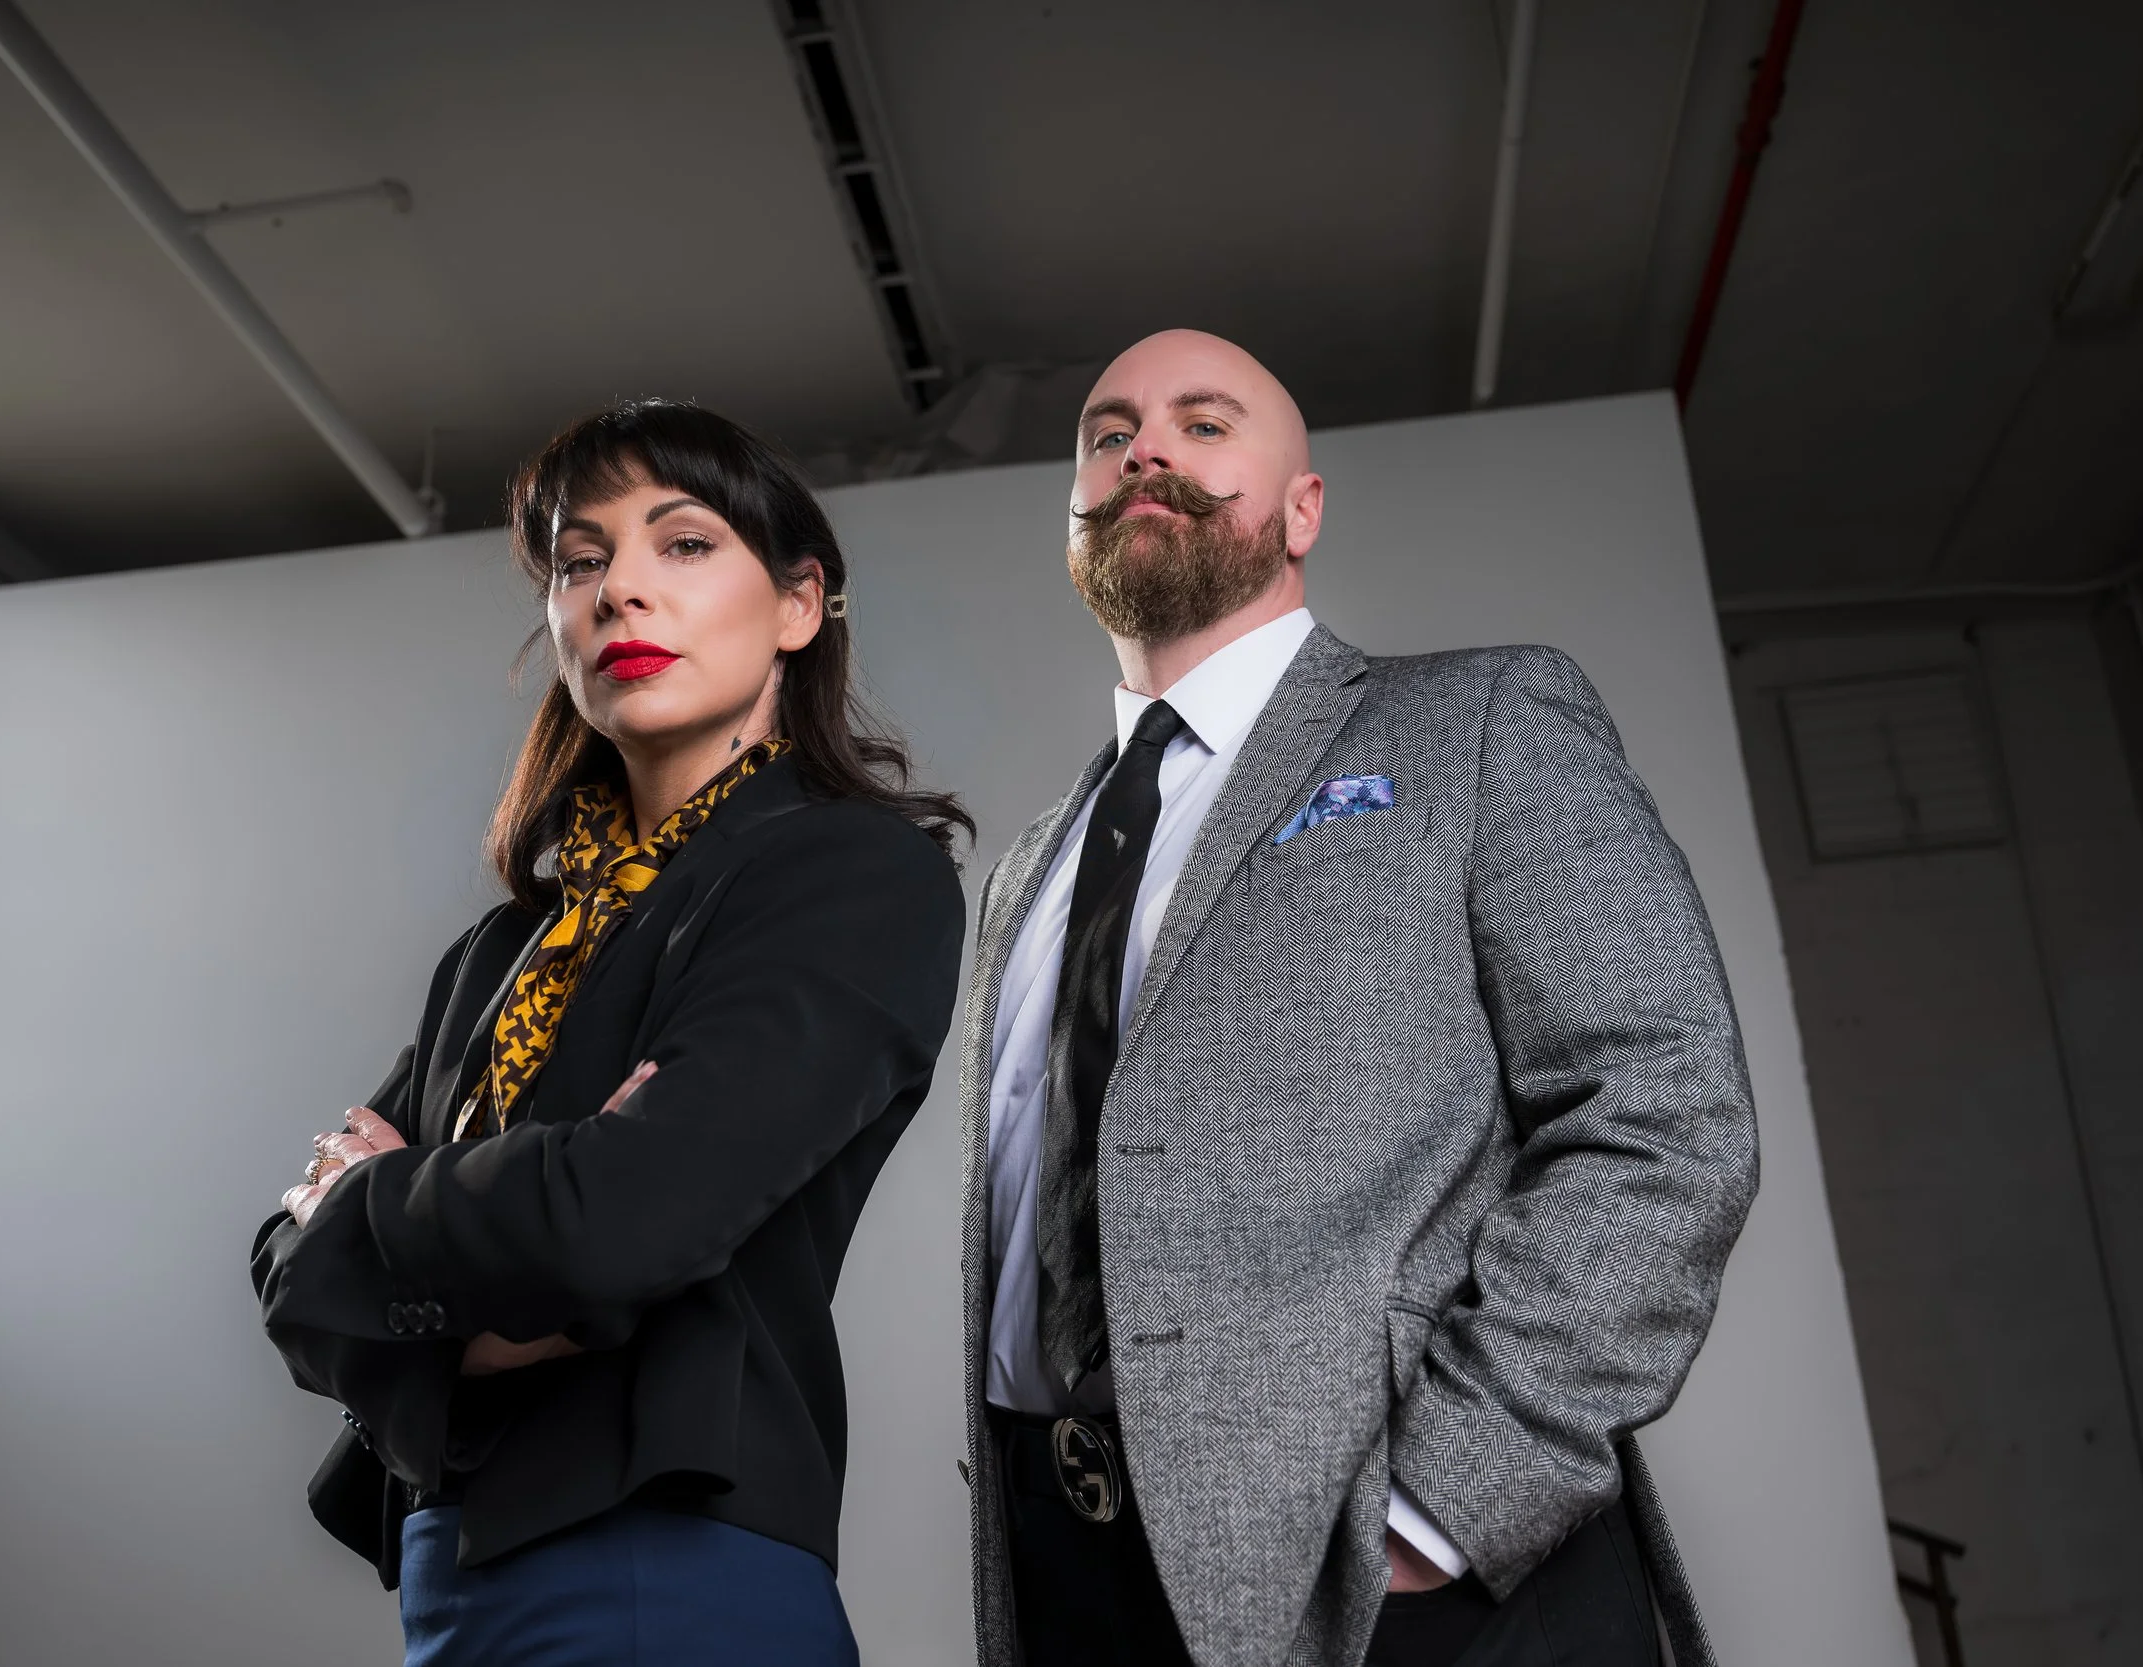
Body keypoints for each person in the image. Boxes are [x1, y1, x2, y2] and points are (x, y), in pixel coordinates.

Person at [960, 330, 1760, 1667]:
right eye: (1109, 433)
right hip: (1069, 1572)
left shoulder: (1481, 719)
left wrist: (1443, 1504)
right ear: (1075, 520)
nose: (1146, 446)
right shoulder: (1029, 865)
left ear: (1303, 508)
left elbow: (1663, 1117)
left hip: (1410, 1579)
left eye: (1204, 425)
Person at [251, 400, 970, 1667]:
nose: (619, 590)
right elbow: (283, 1264)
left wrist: (385, 1209)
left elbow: (625, 1219)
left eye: (682, 545)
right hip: (454, 1567)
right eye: (580, 561)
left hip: (667, 1552)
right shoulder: (503, 948)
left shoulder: (852, 874)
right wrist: (501, 1269)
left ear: (799, 604)